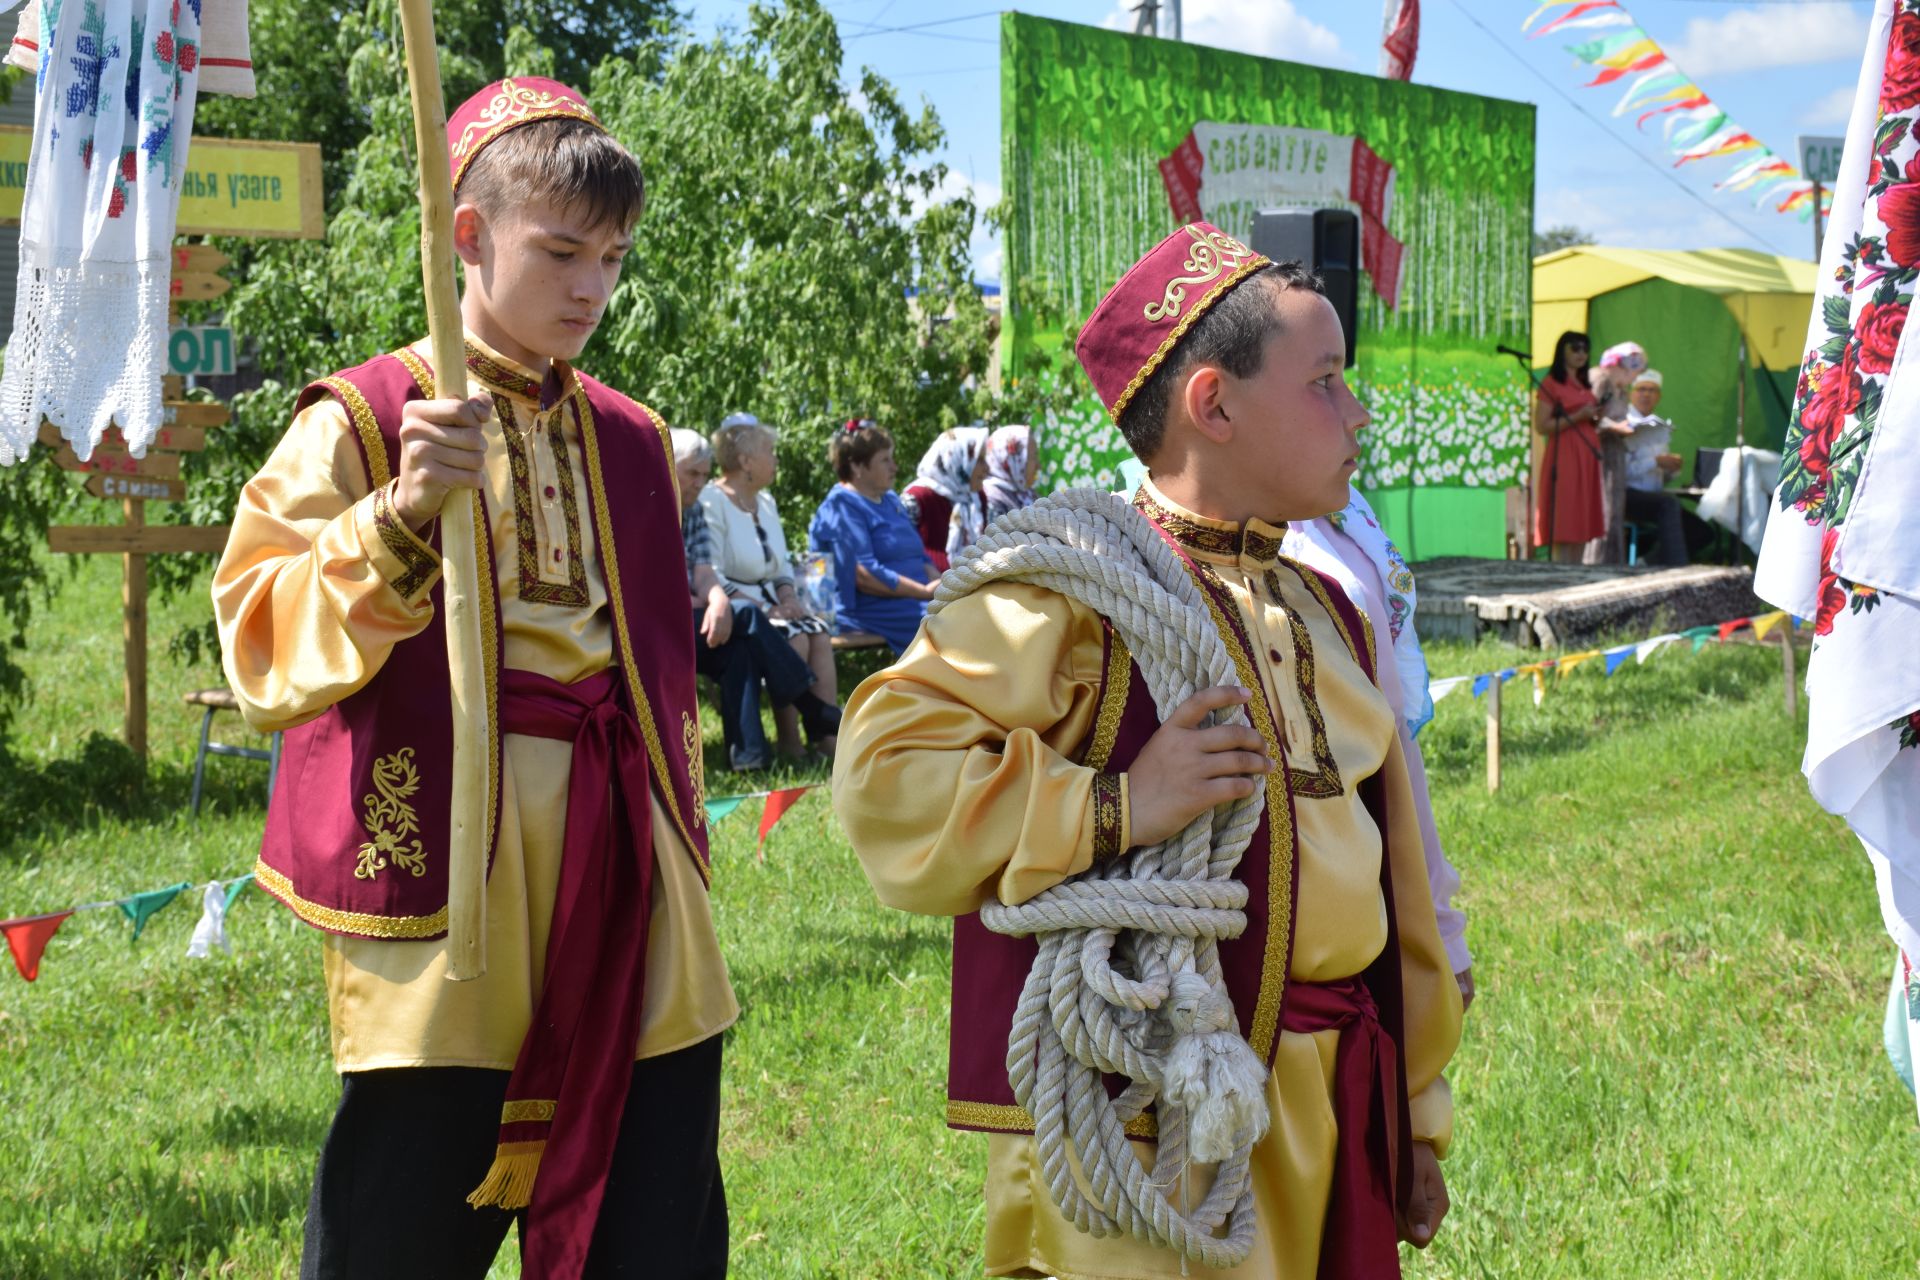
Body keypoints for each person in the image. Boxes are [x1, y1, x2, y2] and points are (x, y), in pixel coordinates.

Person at [835, 222, 1460, 1278]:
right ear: (1212, 404)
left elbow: (1395, 894)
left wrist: (1416, 1116)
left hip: (1337, 1095)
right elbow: (884, 775)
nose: (1358, 412)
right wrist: (1116, 805)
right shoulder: (1071, 592)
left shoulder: (1326, 613)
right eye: (1326, 383)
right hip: (1152, 1127)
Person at [212, 79, 732, 1277]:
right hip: (454, 878)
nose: (591, 287)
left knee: (651, 1213)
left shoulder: (634, 435)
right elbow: (255, 633)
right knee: (404, 1222)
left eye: (610, 256)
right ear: (468, 235)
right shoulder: (363, 416)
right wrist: (395, 515)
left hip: (631, 872)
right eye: (560, 251)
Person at [1283, 488, 1474, 1006]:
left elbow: (1394, 747)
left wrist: (1441, 927)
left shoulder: (1340, 512)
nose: (1356, 416)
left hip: (1379, 854)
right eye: (1323, 397)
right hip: (1290, 930)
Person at [673, 428, 841, 769]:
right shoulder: (642, 507)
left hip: (701, 616)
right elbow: (641, 586)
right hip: (654, 625)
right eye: (692, 473)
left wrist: (717, 600)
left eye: (704, 474)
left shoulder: (691, 511)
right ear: (666, 464)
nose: (699, 482)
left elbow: (704, 573)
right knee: (749, 620)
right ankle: (813, 711)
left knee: (741, 649)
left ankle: (751, 758)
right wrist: (716, 601)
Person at [809, 420, 937, 653]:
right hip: (870, 608)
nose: (895, 467)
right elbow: (865, 576)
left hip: (911, 602)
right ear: (858, 466)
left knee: (970, 611)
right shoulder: (842, 507)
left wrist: (943, 587)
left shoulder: (889, 500)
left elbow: (920, 556)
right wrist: (926, 592)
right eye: (885, 460)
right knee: (946, 625)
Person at [1612, 370, 1700, 567]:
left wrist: (1671, 468)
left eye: (1652, 390)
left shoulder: (1658, 426)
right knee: (1668, 505)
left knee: (1701, 531)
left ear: (1658, 396)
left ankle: (1645, 563)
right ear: (1632, 393)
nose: (1646, 394)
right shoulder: (1623, 424)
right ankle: (1678, 568)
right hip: (1627, 495)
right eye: (1641, 389)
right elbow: (1620, 473)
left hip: (1653, 496)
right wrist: (1656, 462)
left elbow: (1660, 477)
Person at [1533, 330, 1606, 562]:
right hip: (1564, 456)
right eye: (1575, 348)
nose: (1581, 353)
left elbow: (1588, 418)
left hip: (1586, 456)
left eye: (1585, 348)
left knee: (1582, 519)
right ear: (1562, 351)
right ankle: (1561, 570)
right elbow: (1542, 425)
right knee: (1566, 515)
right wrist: (1578, 416)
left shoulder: (1585, 384)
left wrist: (1594, 416)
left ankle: (1578, 570)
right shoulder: (1552, 383)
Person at [1589, 341, 1647, 564]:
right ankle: (1594, 563)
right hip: (1598, 455)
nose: (1635, 378)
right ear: (1622, 365)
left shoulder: (1620, 390)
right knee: (1602, 511)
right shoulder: (1600, 380)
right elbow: (1587, 418)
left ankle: (1611, 563)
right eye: (1634, 371)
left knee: (1613, 513)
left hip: (1614, 456)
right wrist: (1615, 427)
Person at [902, 424, 989, 571]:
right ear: (957, 460)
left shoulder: (976, 498)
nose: (987, 468)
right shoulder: (917, 498)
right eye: (978, 460)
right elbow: (901, 553)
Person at [981, 422, 1040, 521]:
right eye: (1033, 457)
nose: (1039, 466)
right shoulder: (991, 502)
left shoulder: (1026, 494)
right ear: (1013, 460)